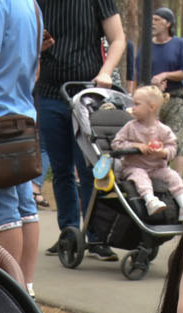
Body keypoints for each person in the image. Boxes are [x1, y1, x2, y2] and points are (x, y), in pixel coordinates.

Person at [36, 0, 126, 261]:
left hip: (86, 93)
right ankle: (69, 233)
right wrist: (38, 46)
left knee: (90, 168)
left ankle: (96, 236)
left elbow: (118, 38)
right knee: (61, 169)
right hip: (50, 93)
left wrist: (106, 72)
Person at [0, 0, 44, 294]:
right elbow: (35, 68)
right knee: (26, 207)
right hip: (24, 116)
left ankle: (9, 289)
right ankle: (27, 287)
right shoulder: (32, 5)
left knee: (6, 210)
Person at [115, 86, 183, 222]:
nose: (133, 108)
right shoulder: (130, 127)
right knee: (141, 177)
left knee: (174, 176)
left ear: (151, 107)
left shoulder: (163, 130)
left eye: (137, 104)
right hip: (134, 167)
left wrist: (163, 153)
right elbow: (117, 144)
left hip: (157, 168)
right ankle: (150, 201)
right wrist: (135, 146)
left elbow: (173, 148)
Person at [146, 7, 183, 176]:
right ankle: (154, 175)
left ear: (168, 24)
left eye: (157, 20)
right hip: (151, 101)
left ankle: (177, 180)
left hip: (174, 99)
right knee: (151, 139)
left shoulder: (179, 44)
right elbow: (139, 73)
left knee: (175, 139)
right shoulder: (147, 46)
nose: (153, 23)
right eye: (152, 19)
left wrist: (165, 75)